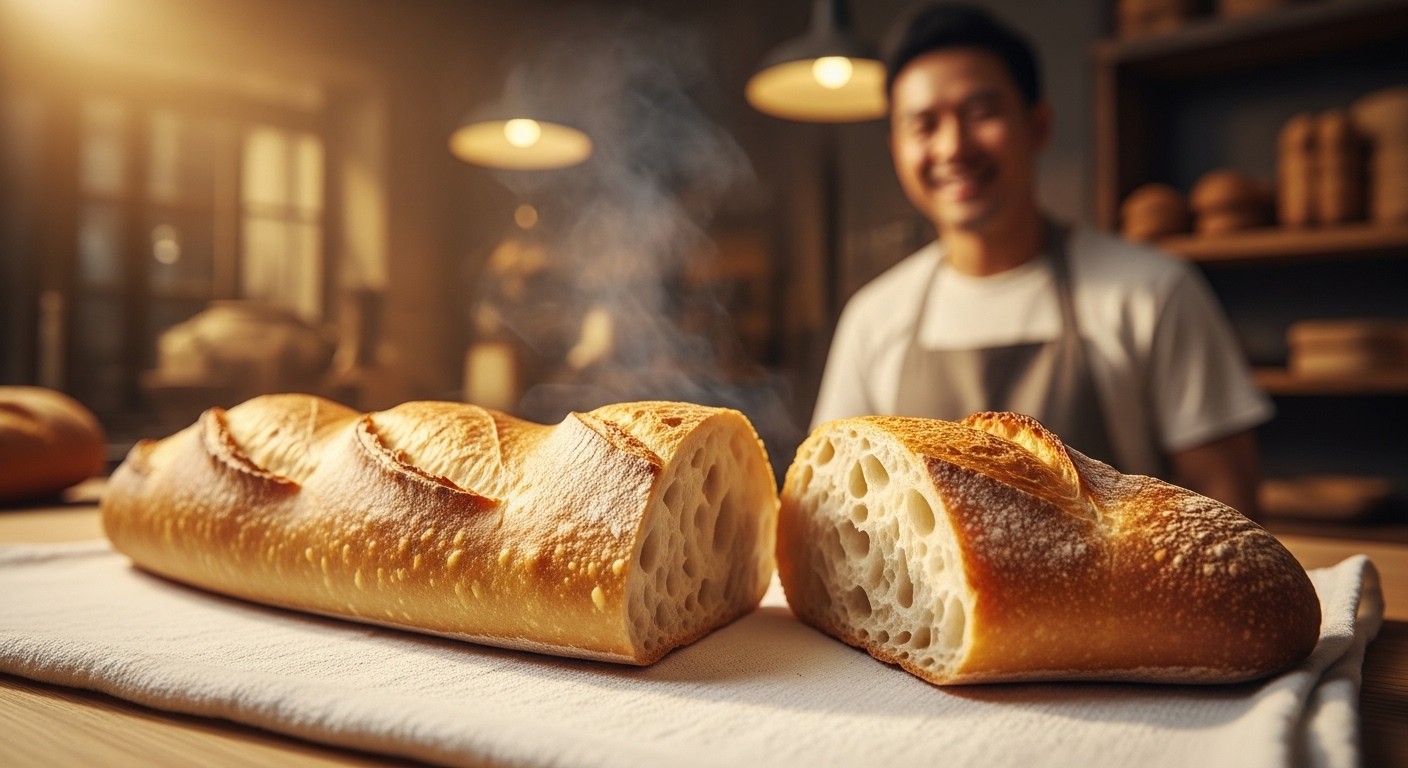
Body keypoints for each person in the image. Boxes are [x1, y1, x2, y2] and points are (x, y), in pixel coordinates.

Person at [810, 2, 1273, 515]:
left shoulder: (1152, 292)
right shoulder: (872, 319)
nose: (953, 147)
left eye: (981, 113)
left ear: (1038, 125)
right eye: (924, 125)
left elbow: (1229, 503)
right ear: (897, 147)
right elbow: (832, 501)